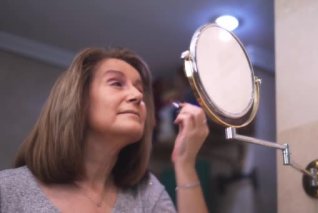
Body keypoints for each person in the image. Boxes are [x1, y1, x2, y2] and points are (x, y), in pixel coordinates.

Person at [0, 47, 209, 213]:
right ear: (78, 100)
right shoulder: (8, 190)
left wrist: (185, 163)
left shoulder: (146, 194)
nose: (137, 96)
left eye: (140, 89)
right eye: (117, 83)